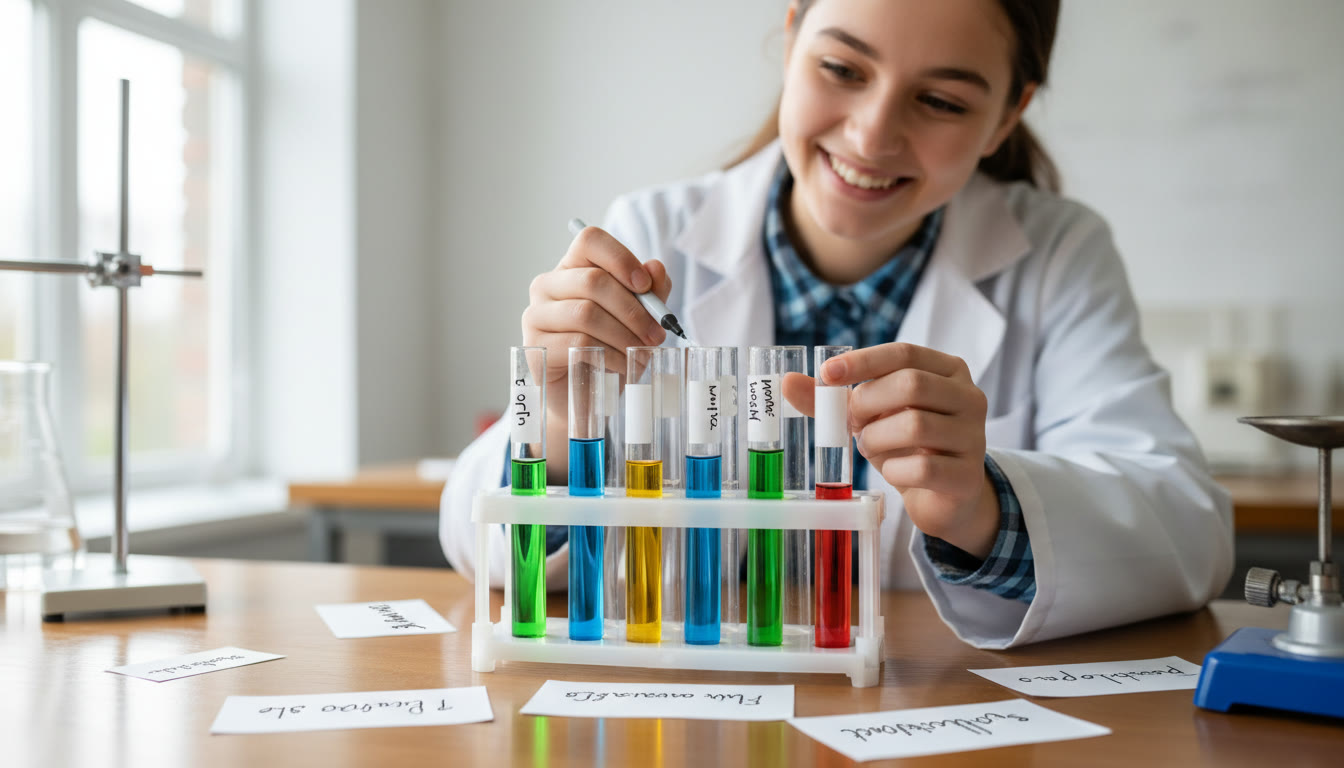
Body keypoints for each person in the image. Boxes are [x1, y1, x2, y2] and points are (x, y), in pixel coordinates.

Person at [439, 0, 1233, 649]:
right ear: (791, 42)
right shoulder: (651, 231)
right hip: (702, 701)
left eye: (942, 101)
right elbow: (486, 546)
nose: (871, 135)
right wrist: (553, 415)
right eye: (842, 69)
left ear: (1005, 117)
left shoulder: (1058, 254)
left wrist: (982, 508)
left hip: (918, 705)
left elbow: (1187, 534)